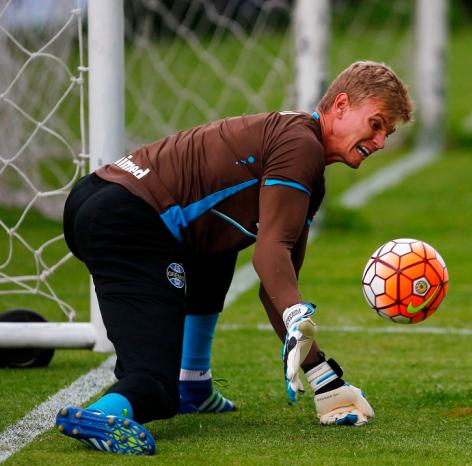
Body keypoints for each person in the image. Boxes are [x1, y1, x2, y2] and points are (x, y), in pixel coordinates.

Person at [56, 61, 413, 455]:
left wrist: (324, 378)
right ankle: (103, 415)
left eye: (388, 133)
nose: (380, 142)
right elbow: (270, 254)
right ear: (341, 105)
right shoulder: (301, 147)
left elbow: (276, 286)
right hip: (126, 222)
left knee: (219, 244)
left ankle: (195, 384)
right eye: (376, 124)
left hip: (101, 196)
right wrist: (299, 320)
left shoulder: (299, 148)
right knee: (155, 386)